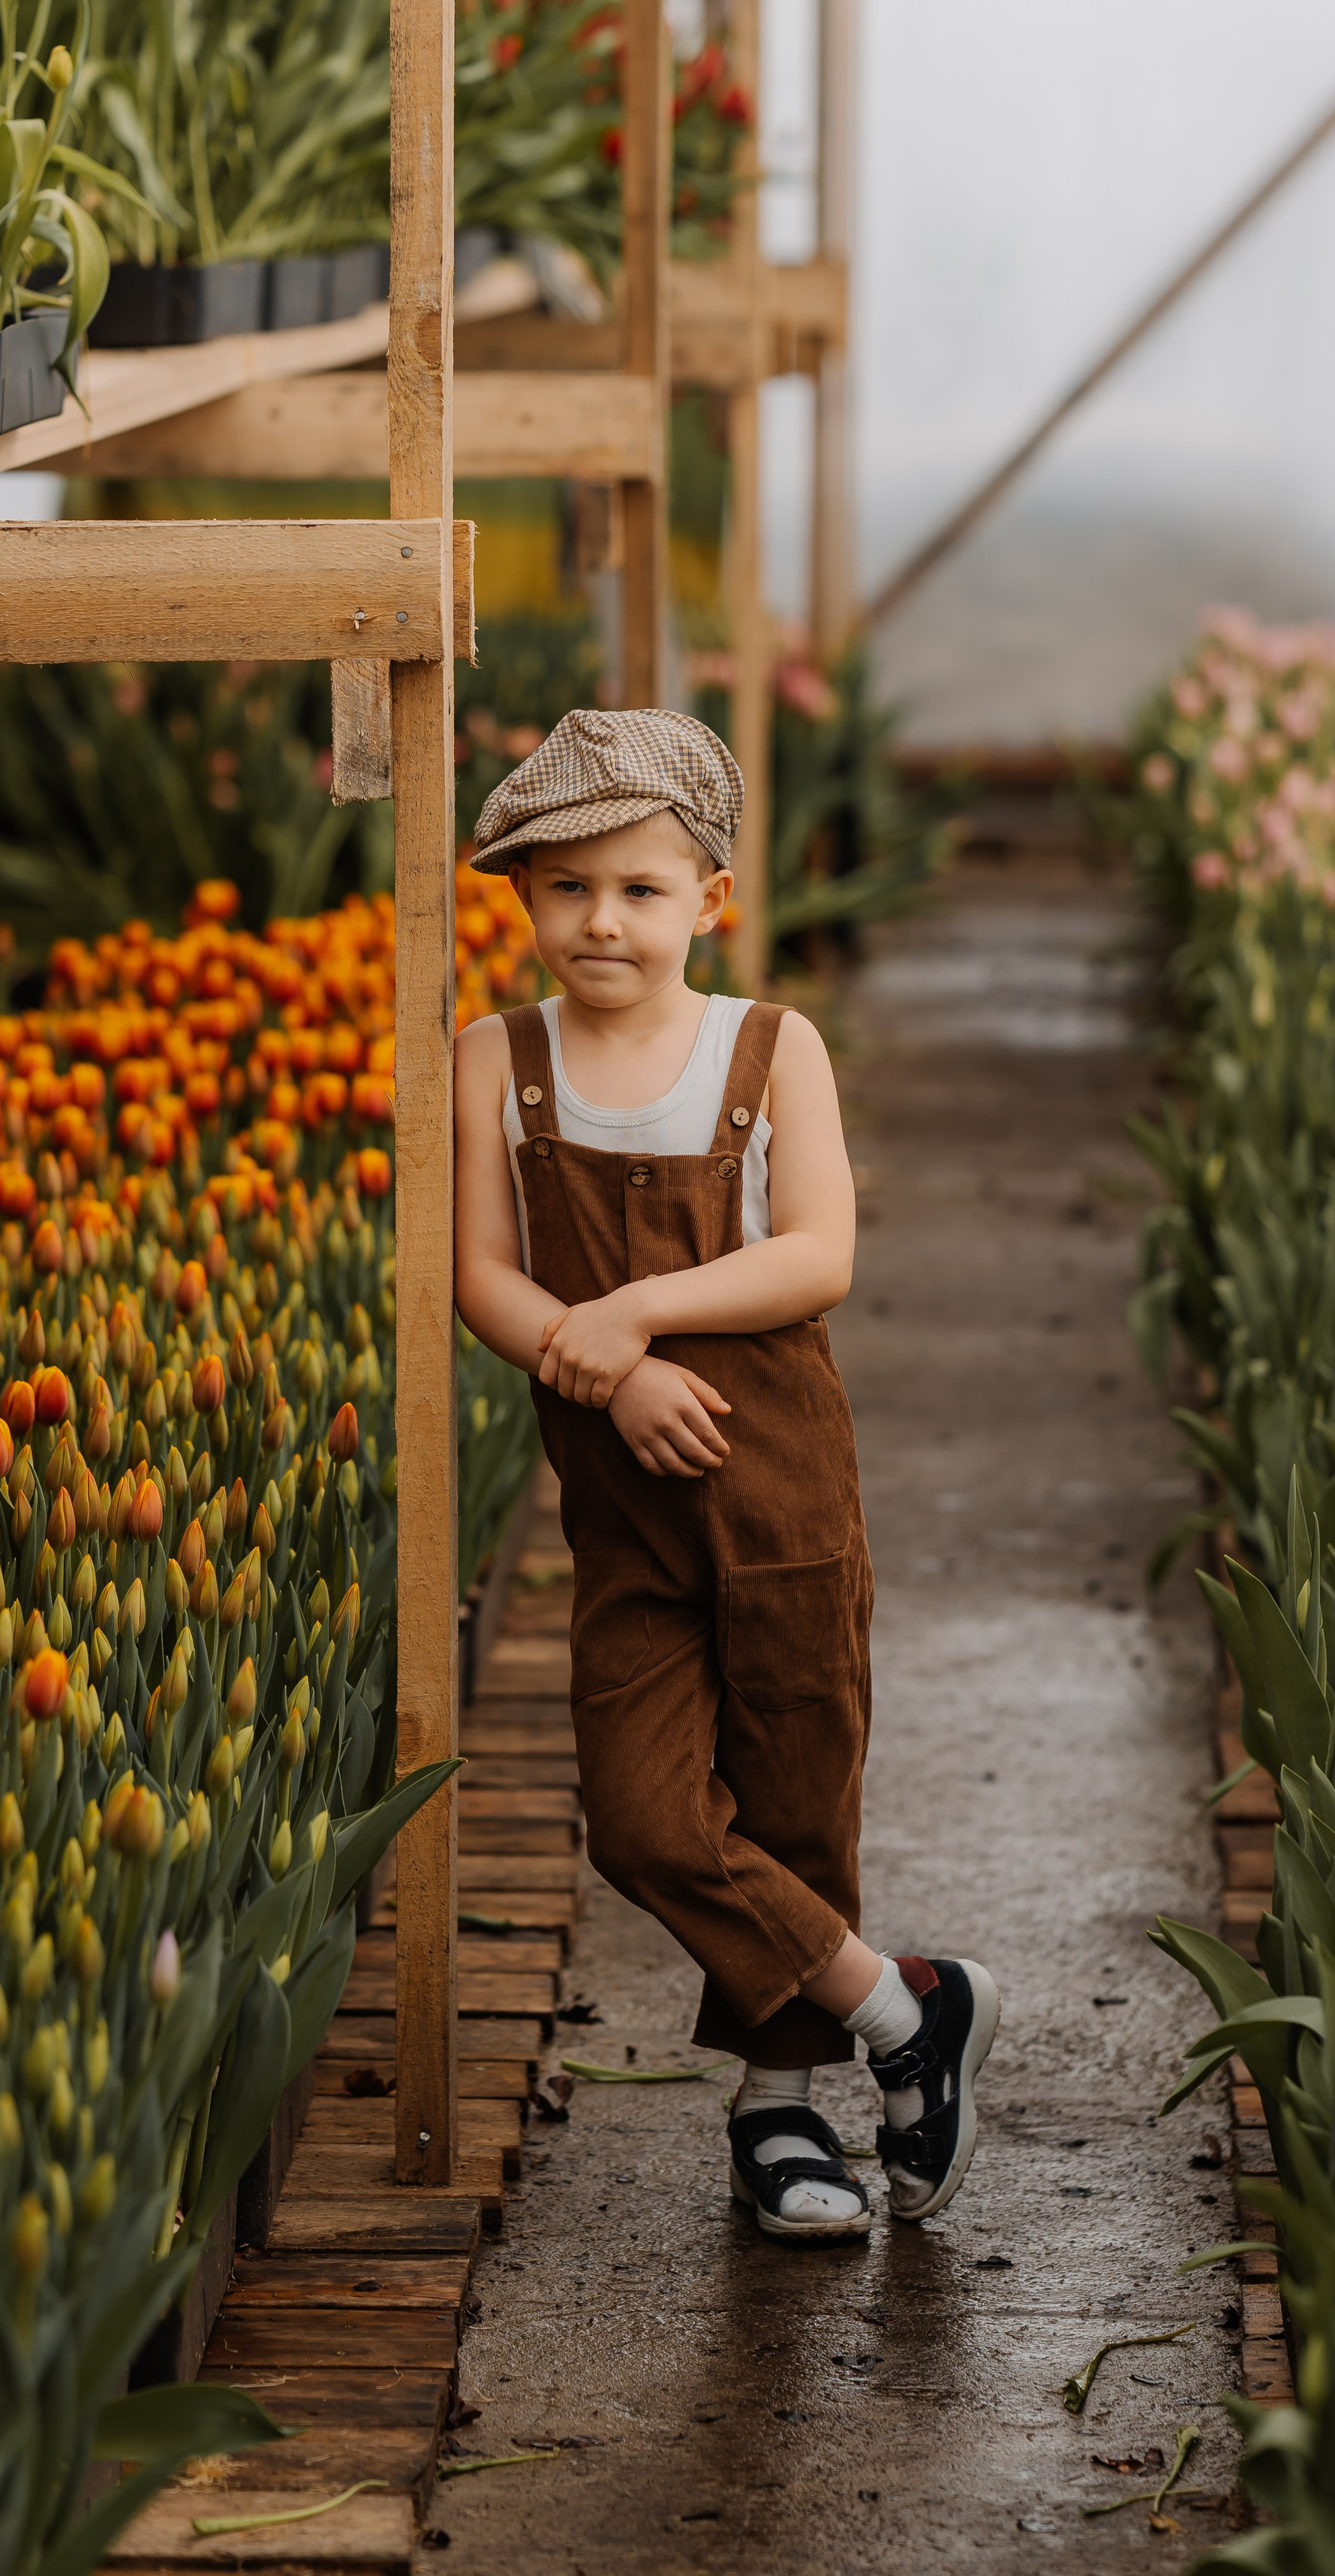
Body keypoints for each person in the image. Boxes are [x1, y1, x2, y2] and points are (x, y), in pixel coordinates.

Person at [453, 706, 998, 2242]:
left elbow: (815, 1256)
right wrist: (607, 1372)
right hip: (623, 1508)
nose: (598, 920)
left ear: (710, 896)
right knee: (640, 1817)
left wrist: (635, 1310)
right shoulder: (494, 1063)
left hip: (779, 1492)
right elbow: (481, 1280)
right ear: (520, 901)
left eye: (636, 886)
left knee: (794, 1786)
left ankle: (780, 2117)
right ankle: (902, 2009)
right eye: (561, 888)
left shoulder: (769, 1050)